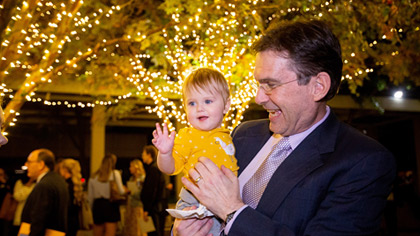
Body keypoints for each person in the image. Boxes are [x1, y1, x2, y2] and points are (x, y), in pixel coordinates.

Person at [172, 20, 396, 236]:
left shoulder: (363, 162)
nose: (259, 98)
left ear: (318, 87)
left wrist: (232, 212)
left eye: (271, 85)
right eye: (258, 84)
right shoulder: (242, 135)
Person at [152, 67, 238, 235]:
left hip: (226, 202)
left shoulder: (228, 135)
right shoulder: (187, 136)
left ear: (226, 105)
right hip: (197, 205)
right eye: (192, 103)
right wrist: (165, 153)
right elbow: (169, 168)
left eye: (208, 101)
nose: (199, 108)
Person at [21, 148, 69, 235]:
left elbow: (39, 220)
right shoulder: (57, 180)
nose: (26, 165)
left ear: (41, 164)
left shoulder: (45, 185)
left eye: (29, 162)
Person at [88, 153, 126, 236]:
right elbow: (121, 191)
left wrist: (92, 209)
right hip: (111, 205)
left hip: (97, 205)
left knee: (97, 233)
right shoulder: (115, 174)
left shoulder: (93, 176)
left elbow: (90, 197)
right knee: (110, 233)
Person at [140, 145, 168, 236]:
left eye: (143, 154)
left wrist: (146, 209)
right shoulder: (158, 167)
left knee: (155, 233)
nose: (142, 156)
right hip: (159, 207)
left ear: (149, 155)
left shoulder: (153, 169)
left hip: (155, 208)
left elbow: (152, 191)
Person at [58, 158, 83, 236]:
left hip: (65, 222)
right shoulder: (77, 185)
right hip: (74, 221)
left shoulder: (64, 185)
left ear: (65, 170)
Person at [124, 159, 146, 236]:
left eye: (131, 166)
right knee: (131, 229)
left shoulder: (142, 178)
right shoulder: (131, 179)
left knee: (139, 229)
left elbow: (143, 194)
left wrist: (130, 192)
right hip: (130, 206)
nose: (130, 168)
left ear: (136, 167)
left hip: (138, 207)